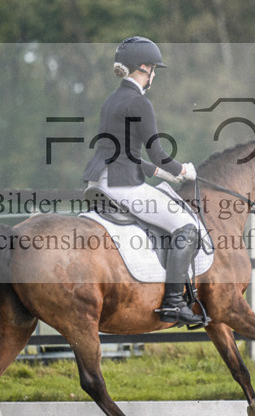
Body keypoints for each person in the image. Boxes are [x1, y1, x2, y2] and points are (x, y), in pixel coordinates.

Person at [83, 36, 205, 327]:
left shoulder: (112, 100)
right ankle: (174, 303)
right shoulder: (139, 102)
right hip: (123, 185)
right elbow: (158, 153)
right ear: (143, 68)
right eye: (154, 69)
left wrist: (162, 174)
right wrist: (183, 170)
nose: (154, 75)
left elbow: (129, 154)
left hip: (99, 181)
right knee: (186, 227)